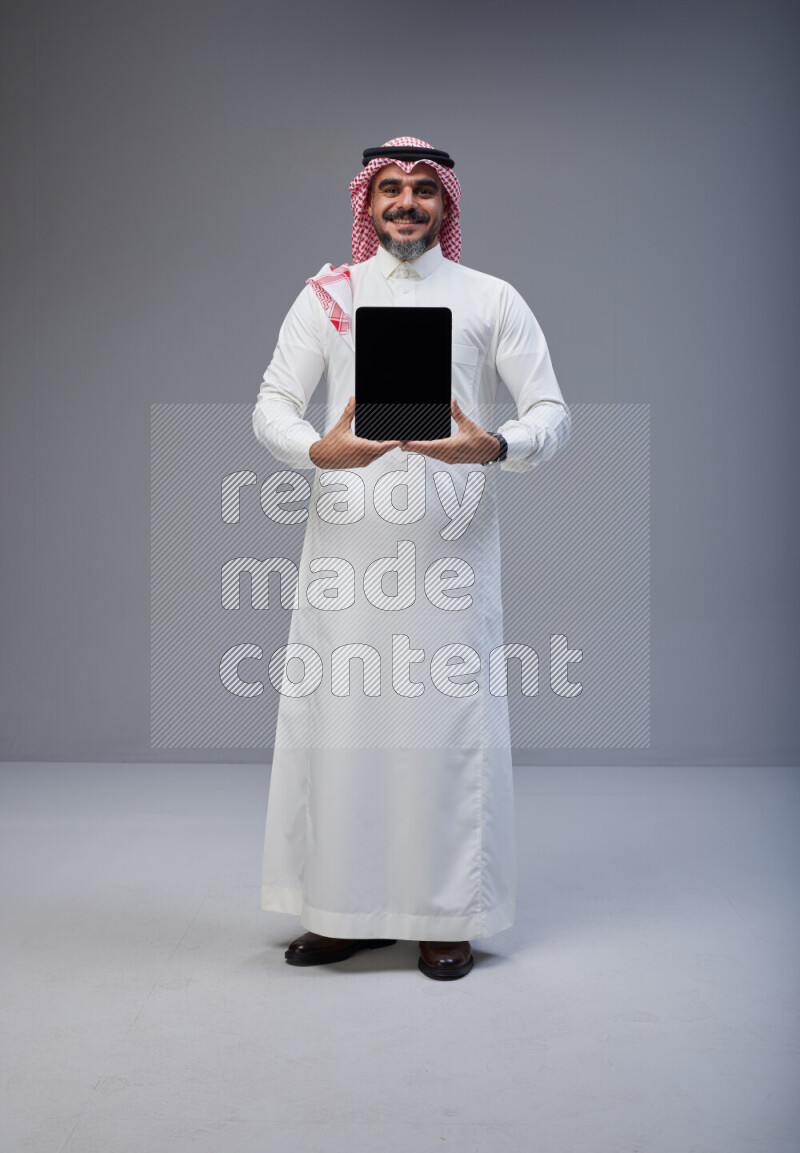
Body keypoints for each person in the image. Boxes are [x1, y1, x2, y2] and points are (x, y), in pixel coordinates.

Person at [251, 136, 570, 980]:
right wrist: (319, 453)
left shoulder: (490, 297)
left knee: (443, 730)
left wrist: (495, 445)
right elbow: (273, 404)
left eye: (422, 190)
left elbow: (551, 412)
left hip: (448, 551)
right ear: (367, 201)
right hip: (347, 547)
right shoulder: (328, 295)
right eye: (389, 188)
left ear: (446, 204)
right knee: (342, 726)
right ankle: (340, 910)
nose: (405, 203)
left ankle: (443, 914)